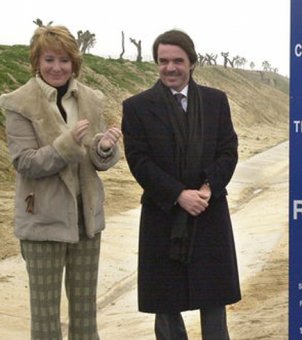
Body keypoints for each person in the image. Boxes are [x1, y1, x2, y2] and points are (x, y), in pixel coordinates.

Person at [0, 25, 122, 339]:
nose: (57, 67)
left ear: (74, 63)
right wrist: (65, 146)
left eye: (64, 60)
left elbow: (94, 159)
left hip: (86, 221)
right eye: (49, 59)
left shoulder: (91, 99)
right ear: (37, 62)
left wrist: (104, 149)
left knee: (85, 318)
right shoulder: (18, 102)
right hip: (42, 221)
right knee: (45, 322)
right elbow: (24, 162)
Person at [121, 29, 241, 339]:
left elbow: (228, 149)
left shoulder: (216, 101)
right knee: (166, 303)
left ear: (192, 62)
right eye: (163, 61)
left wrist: (208, 189)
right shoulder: (137, 107)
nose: (170, 68)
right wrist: (178, 195)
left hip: (208, 209)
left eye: (177, 60)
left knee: (213, 300)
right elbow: (139, 161)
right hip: (163, 213)